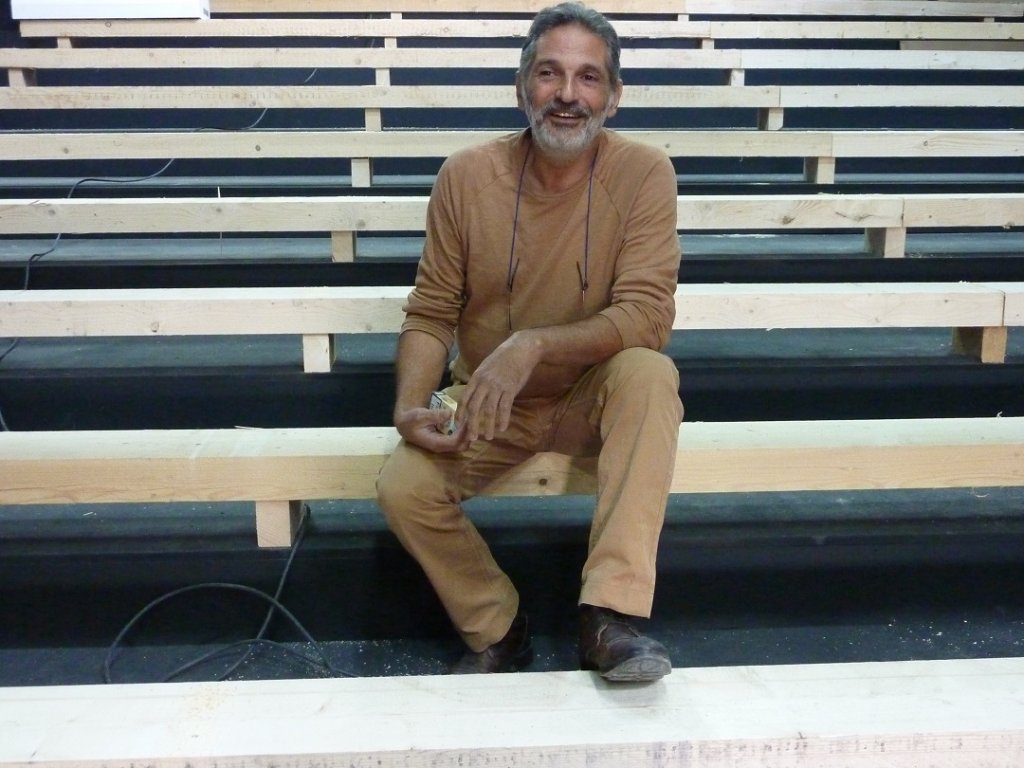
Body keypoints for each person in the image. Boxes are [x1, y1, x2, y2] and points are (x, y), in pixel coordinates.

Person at [376, 1, 683, 683]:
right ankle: (499, 627)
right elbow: (430, 313)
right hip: (490, 402)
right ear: (522, 87)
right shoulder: (464, 177)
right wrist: (406, 407)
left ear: (614, 96)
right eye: (550, 73)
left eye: (588, 77)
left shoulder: (644, 174)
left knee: (649, 373)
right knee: (402, 486)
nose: (568, 95)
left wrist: (535, 345)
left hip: (589, 398)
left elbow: (646, 316)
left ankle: (609, 616)